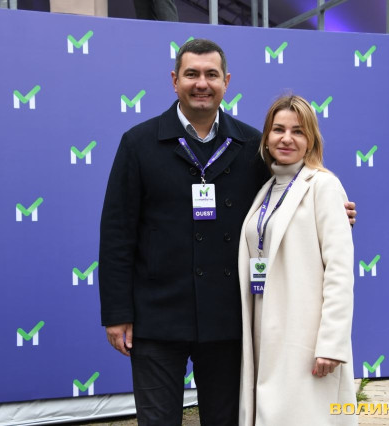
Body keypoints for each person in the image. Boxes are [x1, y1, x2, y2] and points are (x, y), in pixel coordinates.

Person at [99, 39, 356, 426]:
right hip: (156, 317)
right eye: (192, 74)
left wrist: (334, 209)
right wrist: (117, 314)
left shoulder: (253, 145)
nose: (201, 83)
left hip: (228, 320)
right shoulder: (138, 143)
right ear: (174, 80)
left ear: (227, 81)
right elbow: (117, 234)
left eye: (211, 75)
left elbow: (289, 196)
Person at [238, 95, 356, 426]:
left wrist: (331, 343)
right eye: (278, 130)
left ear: (311, 140)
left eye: (298, 131)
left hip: (303, 335)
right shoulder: (266, 189)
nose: (286, 138)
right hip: (262, 328)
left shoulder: (324, 185)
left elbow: (339, 271)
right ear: (266, 138)